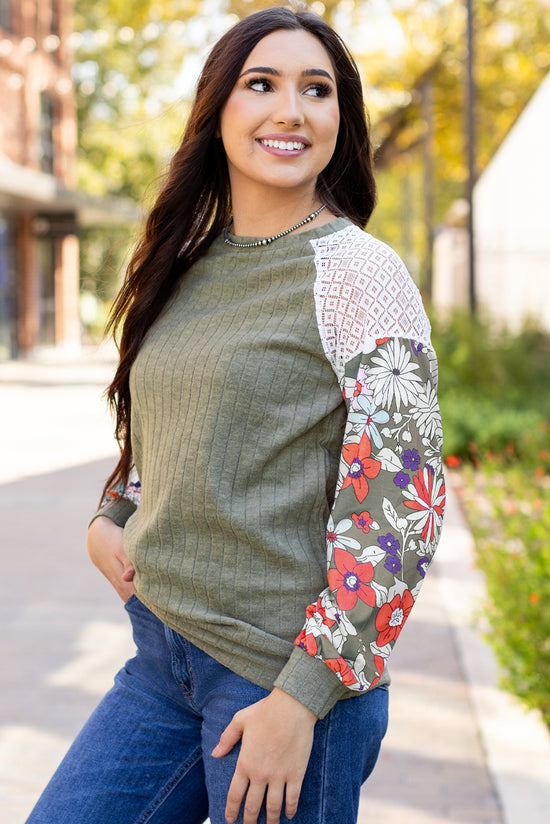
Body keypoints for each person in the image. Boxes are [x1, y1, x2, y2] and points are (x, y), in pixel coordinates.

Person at [26, 6, 445, 824]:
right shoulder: (188, 262)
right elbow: (170, 412)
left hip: (283, 678)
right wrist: (114, 511)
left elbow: (399, 514)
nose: (291, 109)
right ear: (219, 110)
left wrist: (303, 698)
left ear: (339, 120)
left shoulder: (359, 272)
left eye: (316, 90)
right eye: (263, 84)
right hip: (162, 659)